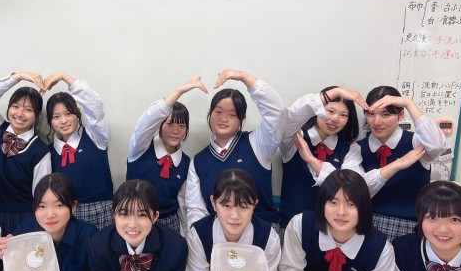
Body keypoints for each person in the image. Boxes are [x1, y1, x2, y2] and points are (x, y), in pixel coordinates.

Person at [278, 169, 394, 271]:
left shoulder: (380, 249)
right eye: (333, 202)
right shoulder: (301, 225)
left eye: (351, 204)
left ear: (364, 208)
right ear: (322, 203)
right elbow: (289, 267)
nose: (341, 212)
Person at [184, 69, 286, 229]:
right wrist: (201, 237)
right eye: (218, 112)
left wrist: (245, 78)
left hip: (261, 233)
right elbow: (196, 210)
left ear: (241, 119)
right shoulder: (198, 161)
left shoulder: (257, 143)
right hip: (218, 236)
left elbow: (277, 113)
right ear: (210, 114)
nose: (223, 118)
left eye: (232, 114)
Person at [184, 168, 281, 271]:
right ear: (213, 203)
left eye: (244, 207)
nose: (235, 216)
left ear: (254, 205)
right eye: (226, 206)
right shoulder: (199, 235)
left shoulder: (269, 238)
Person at [0, 172, 98, 271]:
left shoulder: (88, 234)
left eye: (59, 205)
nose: (50, 215)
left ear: (73, 206)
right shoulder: (23, 232)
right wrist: (8, 257)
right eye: (42, 206)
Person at [359, 86, 447, 239]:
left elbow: (437, 145)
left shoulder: (415, 142)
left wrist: (408, 103)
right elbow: (357, 190)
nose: (377, 122)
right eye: (371, 114)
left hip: (410, 226)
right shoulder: (358, 148)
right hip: (365, 223)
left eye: (386, 114)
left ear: (401, 115)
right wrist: (397, 164)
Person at [127, 77, 208, 233]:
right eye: (170, 123)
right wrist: (179, 91)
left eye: (182, 125)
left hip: (169, 225)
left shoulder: (185, 163)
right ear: (159, 126)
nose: (176, 131)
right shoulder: (141, 148)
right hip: (135, 220)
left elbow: (184, 204)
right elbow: (147, 122)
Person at [279, 86, 368, 228]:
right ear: (317, 110)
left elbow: (352, 188)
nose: (335, 119)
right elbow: (290, 117)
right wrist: (336, 92)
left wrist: (312, 160)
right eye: (330, 111)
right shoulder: (295, 138)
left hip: (333, 230)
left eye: (343, 115)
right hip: (291, 226)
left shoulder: (350, 148)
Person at [0, 71, 51, 234]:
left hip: (25, 219)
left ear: (38, 115)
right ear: (8, 107)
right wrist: (18, 76)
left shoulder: (41, 151)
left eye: (28, 109)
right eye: (15, 106)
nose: (20, 114)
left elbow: (41, 197)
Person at [44, 72, 113, 229]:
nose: (63, 121)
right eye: (56, 117)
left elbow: (95, 106)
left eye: (68, 114)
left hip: (100, 210)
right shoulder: (48, 152)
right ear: (50, 121)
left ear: (78, 114)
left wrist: (64, 77)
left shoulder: (95, 136)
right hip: (65, 212)